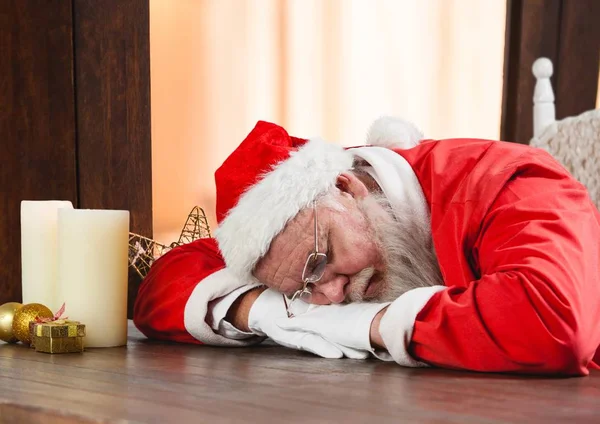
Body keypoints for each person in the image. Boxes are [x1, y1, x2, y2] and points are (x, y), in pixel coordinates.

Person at [134, 118, 600, 375]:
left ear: (349, 187)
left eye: (323, 263)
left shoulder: (511, 183)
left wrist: (370, 325)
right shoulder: (301, 236)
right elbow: (163, 284)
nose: (333, 294)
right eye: (303, 288)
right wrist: (267, 310)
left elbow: (553, 321)